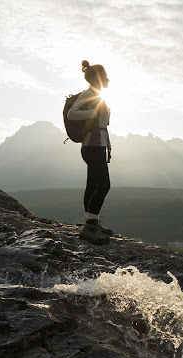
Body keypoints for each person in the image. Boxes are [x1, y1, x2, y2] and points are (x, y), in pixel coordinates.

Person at [67, 60, 113, 245]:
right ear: (98, 78)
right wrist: (93, 113)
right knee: (104, 185)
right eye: (105, 76)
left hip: (96, 146)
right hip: (92, 146)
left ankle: (91, 222)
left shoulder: (97, 95)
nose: (108, 79)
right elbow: (72, 114)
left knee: (93, 185)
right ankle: (90, 227)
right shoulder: (89, 94)